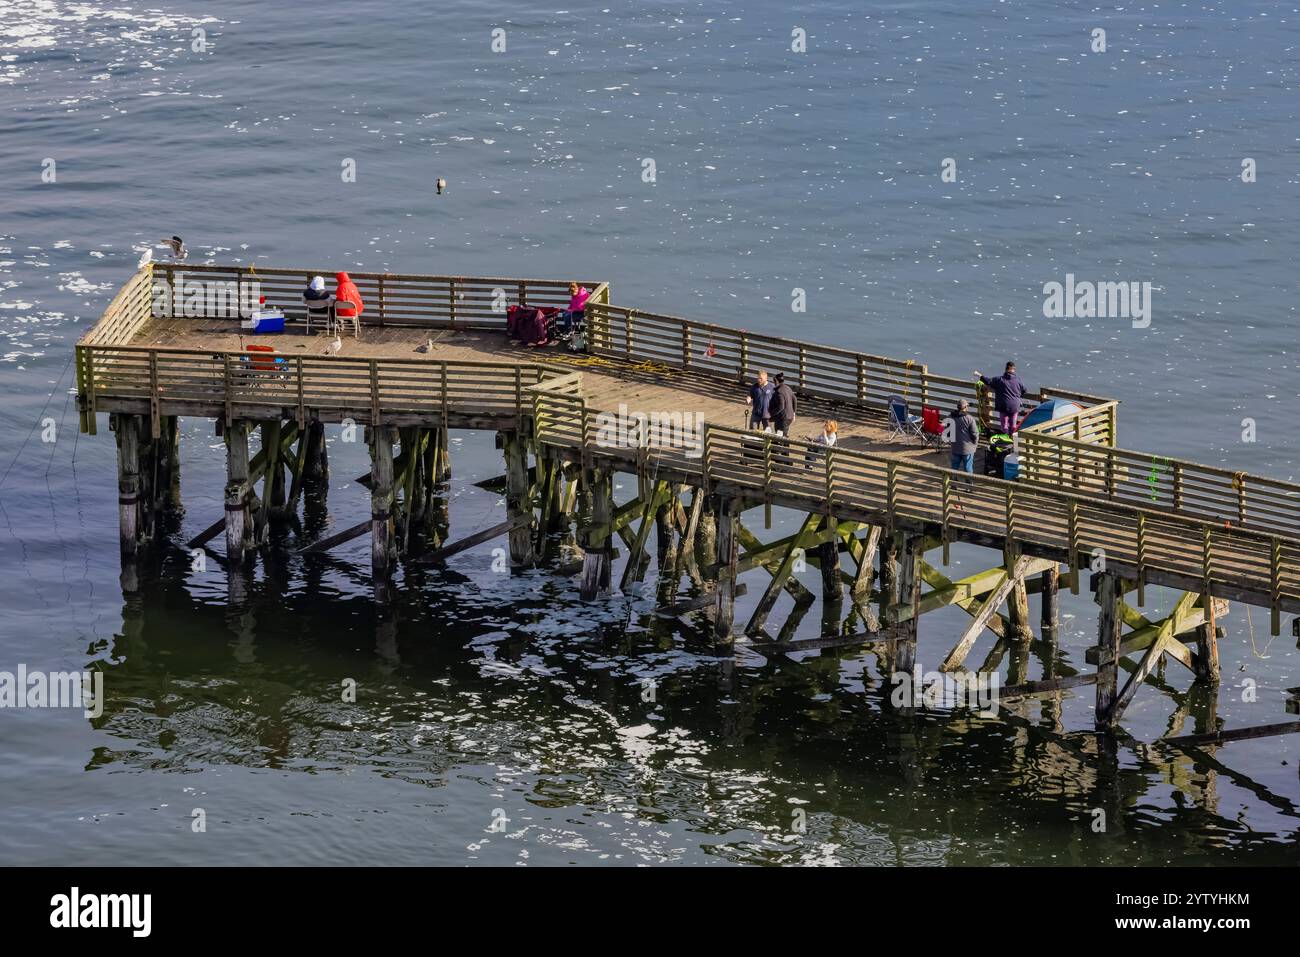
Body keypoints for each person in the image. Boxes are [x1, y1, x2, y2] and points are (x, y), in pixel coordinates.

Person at [975, 360, 1029, 433]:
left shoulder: (999, 380)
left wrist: (979, 375)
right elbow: (1025, 390)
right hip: (1014, 406)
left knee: (1004, 425)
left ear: (1006, 369)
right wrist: (1017, 395)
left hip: (1003, 406)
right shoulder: (1018, 380)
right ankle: (1013, 440)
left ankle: (1005, 440)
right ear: (1013, 369)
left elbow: (988, 381)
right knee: (1013, 425)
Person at [947, 399, 979, 473]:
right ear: (965, 407)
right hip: (968, 449)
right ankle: (968, 483)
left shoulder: (950, 417)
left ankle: (953, 483)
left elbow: (947, 433)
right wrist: (975, 444)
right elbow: (975, 434)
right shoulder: (969, 418)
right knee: (968, 468)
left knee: (954, 467)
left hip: (955, 447)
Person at [771, 372, 797, 436]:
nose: (773, 383)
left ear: (776, 381)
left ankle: (783, 444)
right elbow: (795, 400)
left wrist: (772, 414)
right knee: (782, 433)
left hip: (783, 418)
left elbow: (781, 407)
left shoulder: (779, 392)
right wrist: (794, 413)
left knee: (781, 435)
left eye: (774, 381)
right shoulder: (788, 388)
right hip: (789, 416)